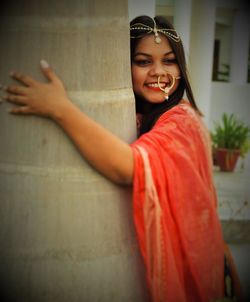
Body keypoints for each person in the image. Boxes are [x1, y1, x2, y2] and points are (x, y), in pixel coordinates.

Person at [1, 15, 242, 302]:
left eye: (169, 61)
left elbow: (128, 167)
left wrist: (60, 109)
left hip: (201, 273)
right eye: (142, 62)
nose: (158, 72)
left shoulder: (182, 121)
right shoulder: (137, 117)